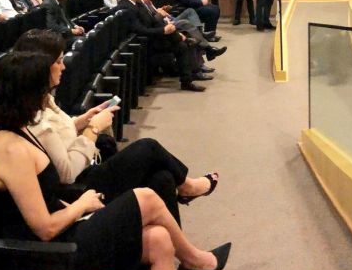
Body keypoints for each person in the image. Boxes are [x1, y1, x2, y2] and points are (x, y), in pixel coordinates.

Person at [0, 51, 227, 270]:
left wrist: (78, 206)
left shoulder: (18, 131)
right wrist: (81, 205)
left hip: (66, 230)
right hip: (52, 255)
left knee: (158, 240)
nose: (46, 98)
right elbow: (44, 228)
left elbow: (46, 197)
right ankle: (195, 260)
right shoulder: (9, 149)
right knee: (146, 198)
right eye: (41, 91)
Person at [15, 30, 217, 222]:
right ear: (41, 66)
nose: (64, 67)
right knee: (148, 147)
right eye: (59, 61)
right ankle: (188, 186)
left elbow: (60, 133)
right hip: (79, 187)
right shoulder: (33, 116)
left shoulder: (42, 98)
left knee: (162, 178)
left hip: (86, 167)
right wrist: (92, 129)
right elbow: (67, 173)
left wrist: (82, 120)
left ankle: (177, 243)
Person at [122, 0, 206, 92]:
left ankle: (187, 80)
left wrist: (167, 29)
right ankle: (190, 71)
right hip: (144, 44)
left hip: (151, 38)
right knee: (181, 42)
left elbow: (152, 21)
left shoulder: (137, 4)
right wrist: (163, 31)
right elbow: (140, 30)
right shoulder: (128, 7)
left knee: (181, 45)